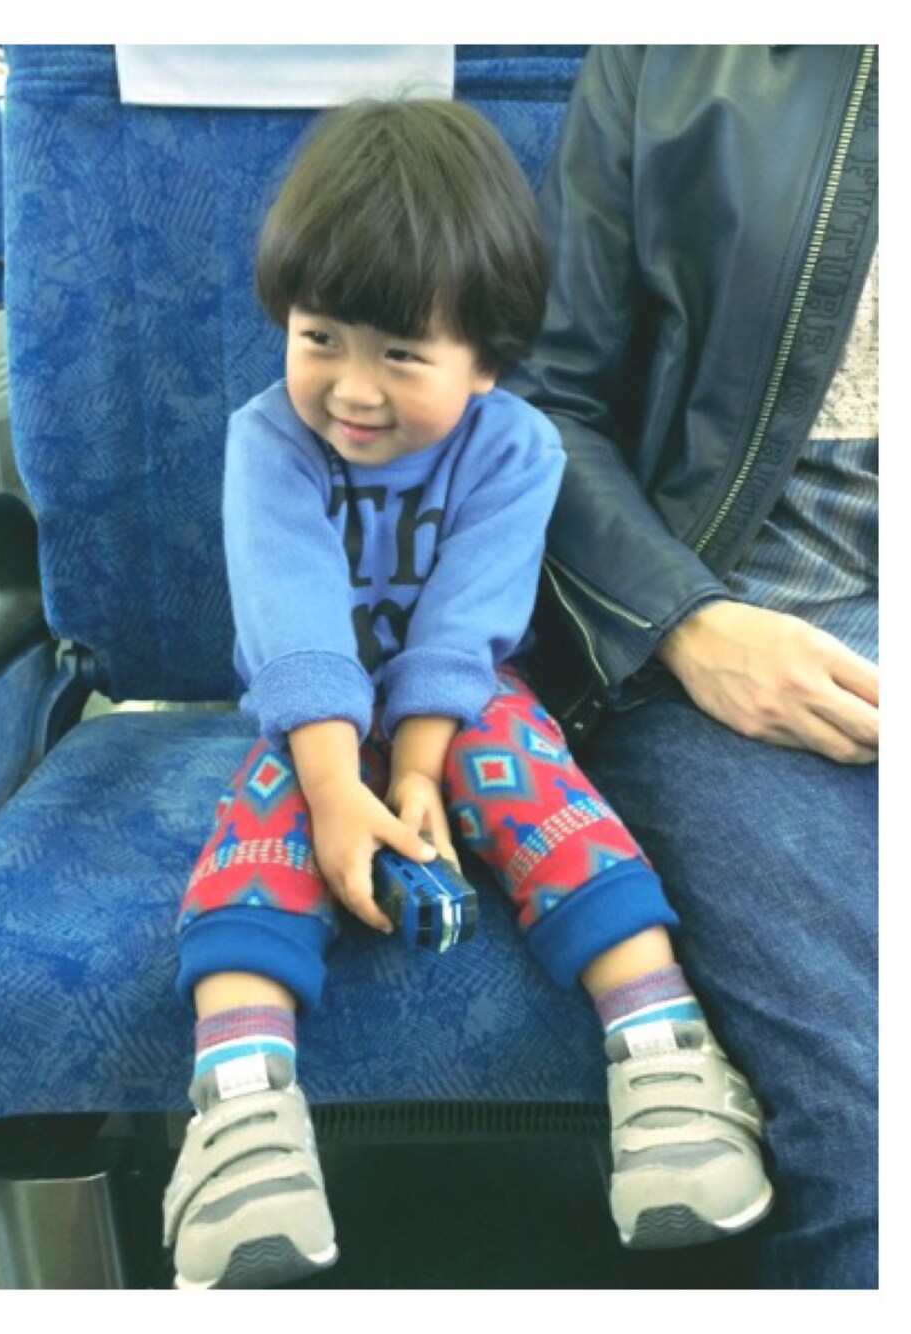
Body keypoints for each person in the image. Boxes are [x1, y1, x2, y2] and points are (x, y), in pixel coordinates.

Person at [161, 96, 774, 1290]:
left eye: (400, 354)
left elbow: (466, 620)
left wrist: (419, 766)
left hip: (466, 696)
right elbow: (291, 613)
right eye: (319, 336)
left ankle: (662, 1056)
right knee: (264, 825)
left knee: (534, 780)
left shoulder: (516, 446)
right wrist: (337, 786)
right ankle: (239, 1117)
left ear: (485, 359)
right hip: (314, 708)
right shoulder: (265, 439)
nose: (351, 387)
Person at [507, 46, 878, 1289]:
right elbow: (542, 397)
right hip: (742, 613)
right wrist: (686, 621)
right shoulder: (664, 54)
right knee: (876, 1133)